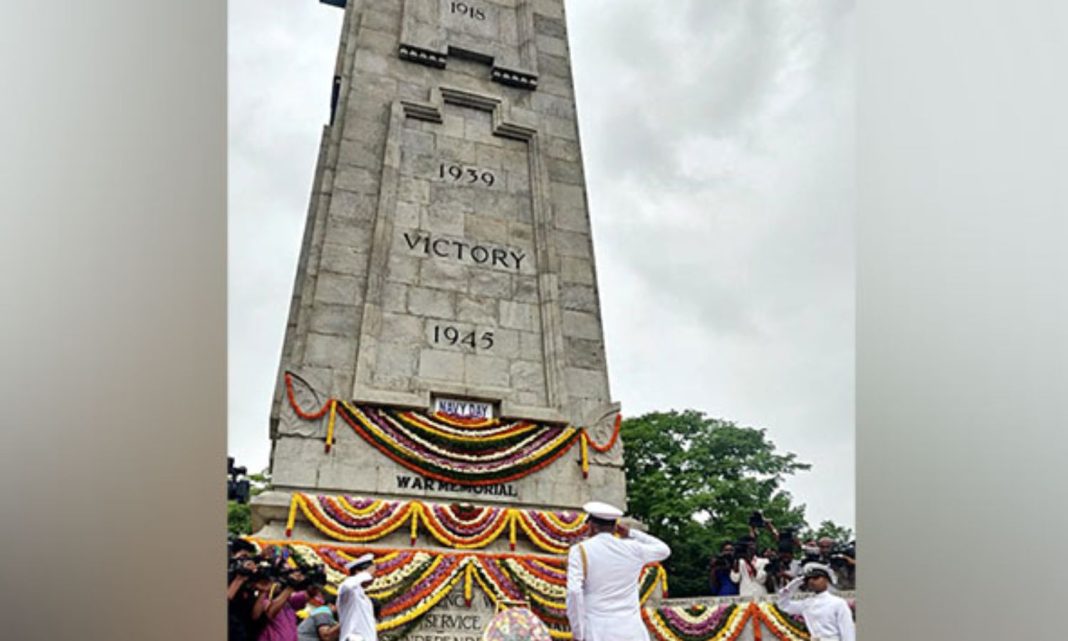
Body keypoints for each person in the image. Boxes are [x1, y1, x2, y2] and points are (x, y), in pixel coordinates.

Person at [566, 501, 671, 641]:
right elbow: (664, 550)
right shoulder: (633, 548)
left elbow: (574, 591)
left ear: (591, 525)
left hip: (597, 630)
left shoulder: (580, 550)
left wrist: (578, 632)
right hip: (632, 631)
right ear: (615, 527)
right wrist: (631, 533)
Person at [776, 562, 855, 641]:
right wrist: (793, 585)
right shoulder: (807, 603)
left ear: (826, 580)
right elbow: (783, 605)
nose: (812, 581)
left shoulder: (838, 603)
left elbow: (847, 631)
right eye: (808, 579)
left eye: (816, 578)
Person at [252, 563, 311, 641]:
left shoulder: (290, 603)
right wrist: (290, 586)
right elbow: (268, 613)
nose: (279, 585)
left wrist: (308, 578)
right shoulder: (265, 600)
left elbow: (307, 595)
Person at [337, 553, 377, 641]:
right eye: (372, 574)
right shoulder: (349, 591)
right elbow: (347, 585)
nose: (373, 577)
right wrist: (366, 574)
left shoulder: (365, 598)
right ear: (358, 572)